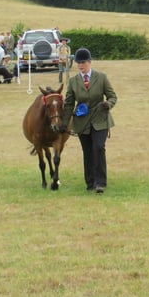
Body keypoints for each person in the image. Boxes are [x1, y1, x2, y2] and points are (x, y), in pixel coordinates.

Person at [61, 48, 117, 194]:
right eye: (78, 63)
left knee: (98, 147)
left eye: (83, 62)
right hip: (82, 122)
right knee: (87, 151)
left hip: (100, 120)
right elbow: (68, 104)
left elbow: (112, 96)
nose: (80, 65)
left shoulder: (101, 77)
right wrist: (64, 123)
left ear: (90, 62)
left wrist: (108, 104)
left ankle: (100, 182)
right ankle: (90, 181)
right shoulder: (73, 81)